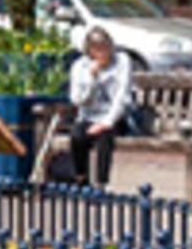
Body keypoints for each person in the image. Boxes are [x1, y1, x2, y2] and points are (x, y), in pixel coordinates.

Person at [46, 25, 138, 187]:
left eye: (106, 47)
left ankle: (102, 183)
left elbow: (122, 97)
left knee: (104, 137)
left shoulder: (122, 61)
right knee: (77, 136)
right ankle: (81, 179)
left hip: (115, 117)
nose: (104, 53)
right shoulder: (80, 67)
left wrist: (106, 122)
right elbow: (77, 100)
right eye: (98, 49)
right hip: (88, 117)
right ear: (90, 52)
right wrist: (91, 78)